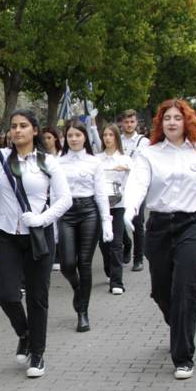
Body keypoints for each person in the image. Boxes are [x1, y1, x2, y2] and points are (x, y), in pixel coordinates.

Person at [0, 109, 72, 378]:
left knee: (37, 297)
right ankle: (25, 333)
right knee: (7, 295)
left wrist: (42, 219)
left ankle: (38, 354)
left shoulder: (47, 162)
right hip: (8, 235)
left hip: (38, 236)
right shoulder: (0, 157)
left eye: (23, 126)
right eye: (13, 126)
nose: (17, 130)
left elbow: (65, 199)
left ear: (35, 130)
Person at [123, 99, 196, 381]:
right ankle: (178, 324)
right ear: (160, 123)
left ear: (187, 121)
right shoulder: (149, 154)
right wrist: (130, 209)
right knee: (162, 290)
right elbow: (138, 183)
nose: (172, 122)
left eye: (177, 117)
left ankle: (183, 356)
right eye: (167, 118)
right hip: (160, 225)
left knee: (186, 288)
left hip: (193, 224)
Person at [56, 120, 113, 332]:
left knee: (85, 263)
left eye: (78, 135)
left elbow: (101, 194)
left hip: (89, 211)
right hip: (66, 212)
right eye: (70, 135)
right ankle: (77, 289)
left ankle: (83, 312)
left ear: (85, 137)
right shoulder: (58, 162)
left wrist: (106, 221)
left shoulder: (94, 162)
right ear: (65, 138)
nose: (74, 139)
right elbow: (53, 195)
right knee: (67, 264)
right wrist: (52, 224)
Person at [97, 123, 131, 294]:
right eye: (105, 135)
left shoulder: (125, 159)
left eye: (111, 135)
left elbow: (133, 182)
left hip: (118, 205)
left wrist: (126, 170)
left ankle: (117, 282)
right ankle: (109, 271)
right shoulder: (97, 159)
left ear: (117, 137)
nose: (108, 138)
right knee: (104, 243)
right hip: (101, 205)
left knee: (116, 243)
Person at [118, 109, 148, 271]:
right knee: (119, 220)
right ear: (121, 123)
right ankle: (127, 244)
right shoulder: (117, 140)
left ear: (136, 123)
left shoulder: (143, 142)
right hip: (119, 186)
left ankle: (138, 258)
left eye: (132, 122)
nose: (129, 125)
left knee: (137, 222)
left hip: (136, 186)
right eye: (126, 122)